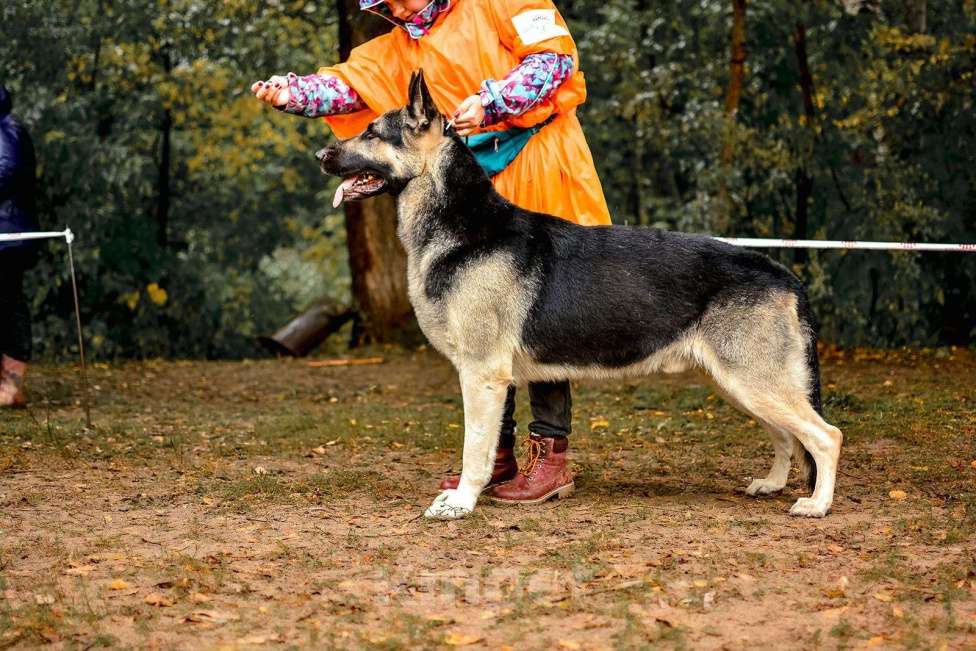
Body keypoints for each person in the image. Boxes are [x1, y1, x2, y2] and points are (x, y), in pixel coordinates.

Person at [252, 0, 612, 504]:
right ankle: (495, 454)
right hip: (475, 189)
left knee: (541, 315)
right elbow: (347, 86)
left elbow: (553, 62)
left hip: (539, 165)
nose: (395, 7)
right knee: (481, 325)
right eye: (383, 3)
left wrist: (493, 101)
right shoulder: (401, 45)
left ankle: (549, 457)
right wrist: (291, 92)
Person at [0, 83, 39, 409]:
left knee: (9, 303)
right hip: (8, 232)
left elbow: (8, 170)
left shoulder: (7, 128)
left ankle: (11, 388)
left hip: (8, 235)